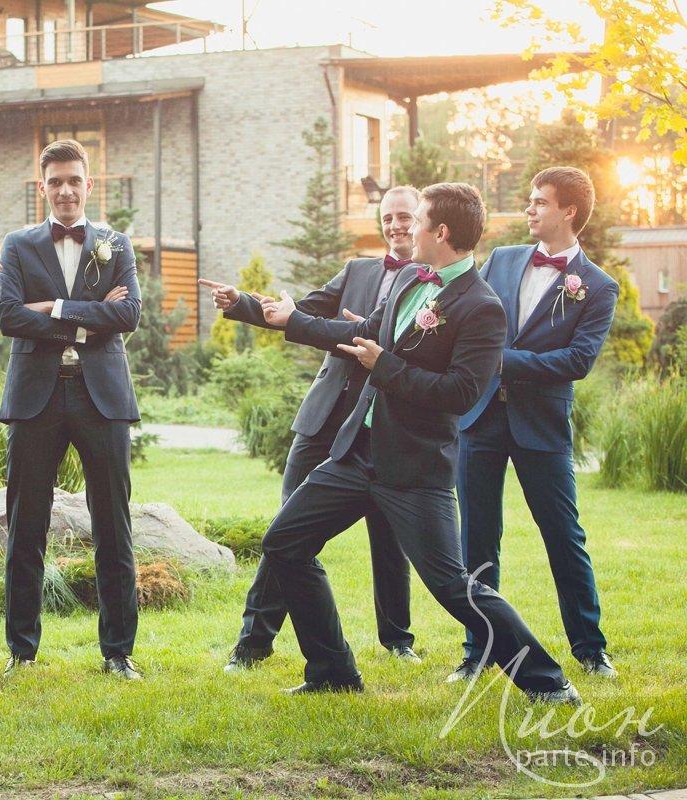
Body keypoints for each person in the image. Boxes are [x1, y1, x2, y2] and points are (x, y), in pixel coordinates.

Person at [254, 182, 579, 704]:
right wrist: (292, 321)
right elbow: (363, 332)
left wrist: (386, 366)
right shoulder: (409, 278)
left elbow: (461, 394)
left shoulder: (482, 307)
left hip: (414, 469)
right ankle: (333, 671)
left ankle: (548, 683)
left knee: (452, 585)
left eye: (419, 219)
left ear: (440, 231)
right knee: (284, 543)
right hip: (355, 453)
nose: (410, 228)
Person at [200, 186, 421, 672]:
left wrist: (364, 334)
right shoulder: (358, 269)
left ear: (423, 220)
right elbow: (299, 311)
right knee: (287, 529)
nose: (395, 226)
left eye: (404, 217)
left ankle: (397, 639)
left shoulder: (432, 283)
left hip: (383, 424)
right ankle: (253, 643)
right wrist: (241, 303)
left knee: (389, 536)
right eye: (387, 217)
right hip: (324, 417)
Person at [452, 166, 620, 683]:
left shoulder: (597, 286)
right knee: (476, 540)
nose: (529, 208)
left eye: (540, 202)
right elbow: (468, 316)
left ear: (569, 211)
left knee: (564, 536)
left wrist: (500, 361)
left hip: (541, 426)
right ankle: (478, 651)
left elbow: (577, 360)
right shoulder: (502, 259)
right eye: (530, 200)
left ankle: (590, 649)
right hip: (479, 418)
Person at [0, 139, 143, 680]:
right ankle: (21, 652)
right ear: (42, 187)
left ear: (89, 184)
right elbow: (9, 316)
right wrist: (86, 320)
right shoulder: (18, 244)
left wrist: (55, 308)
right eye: (55, 181)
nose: (65, 191)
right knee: (25, 526)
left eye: (74, 180)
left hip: (100, 395)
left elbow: (128, 315)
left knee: (113, 525)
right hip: (35, 396)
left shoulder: (114, 243)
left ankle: (118, 653)